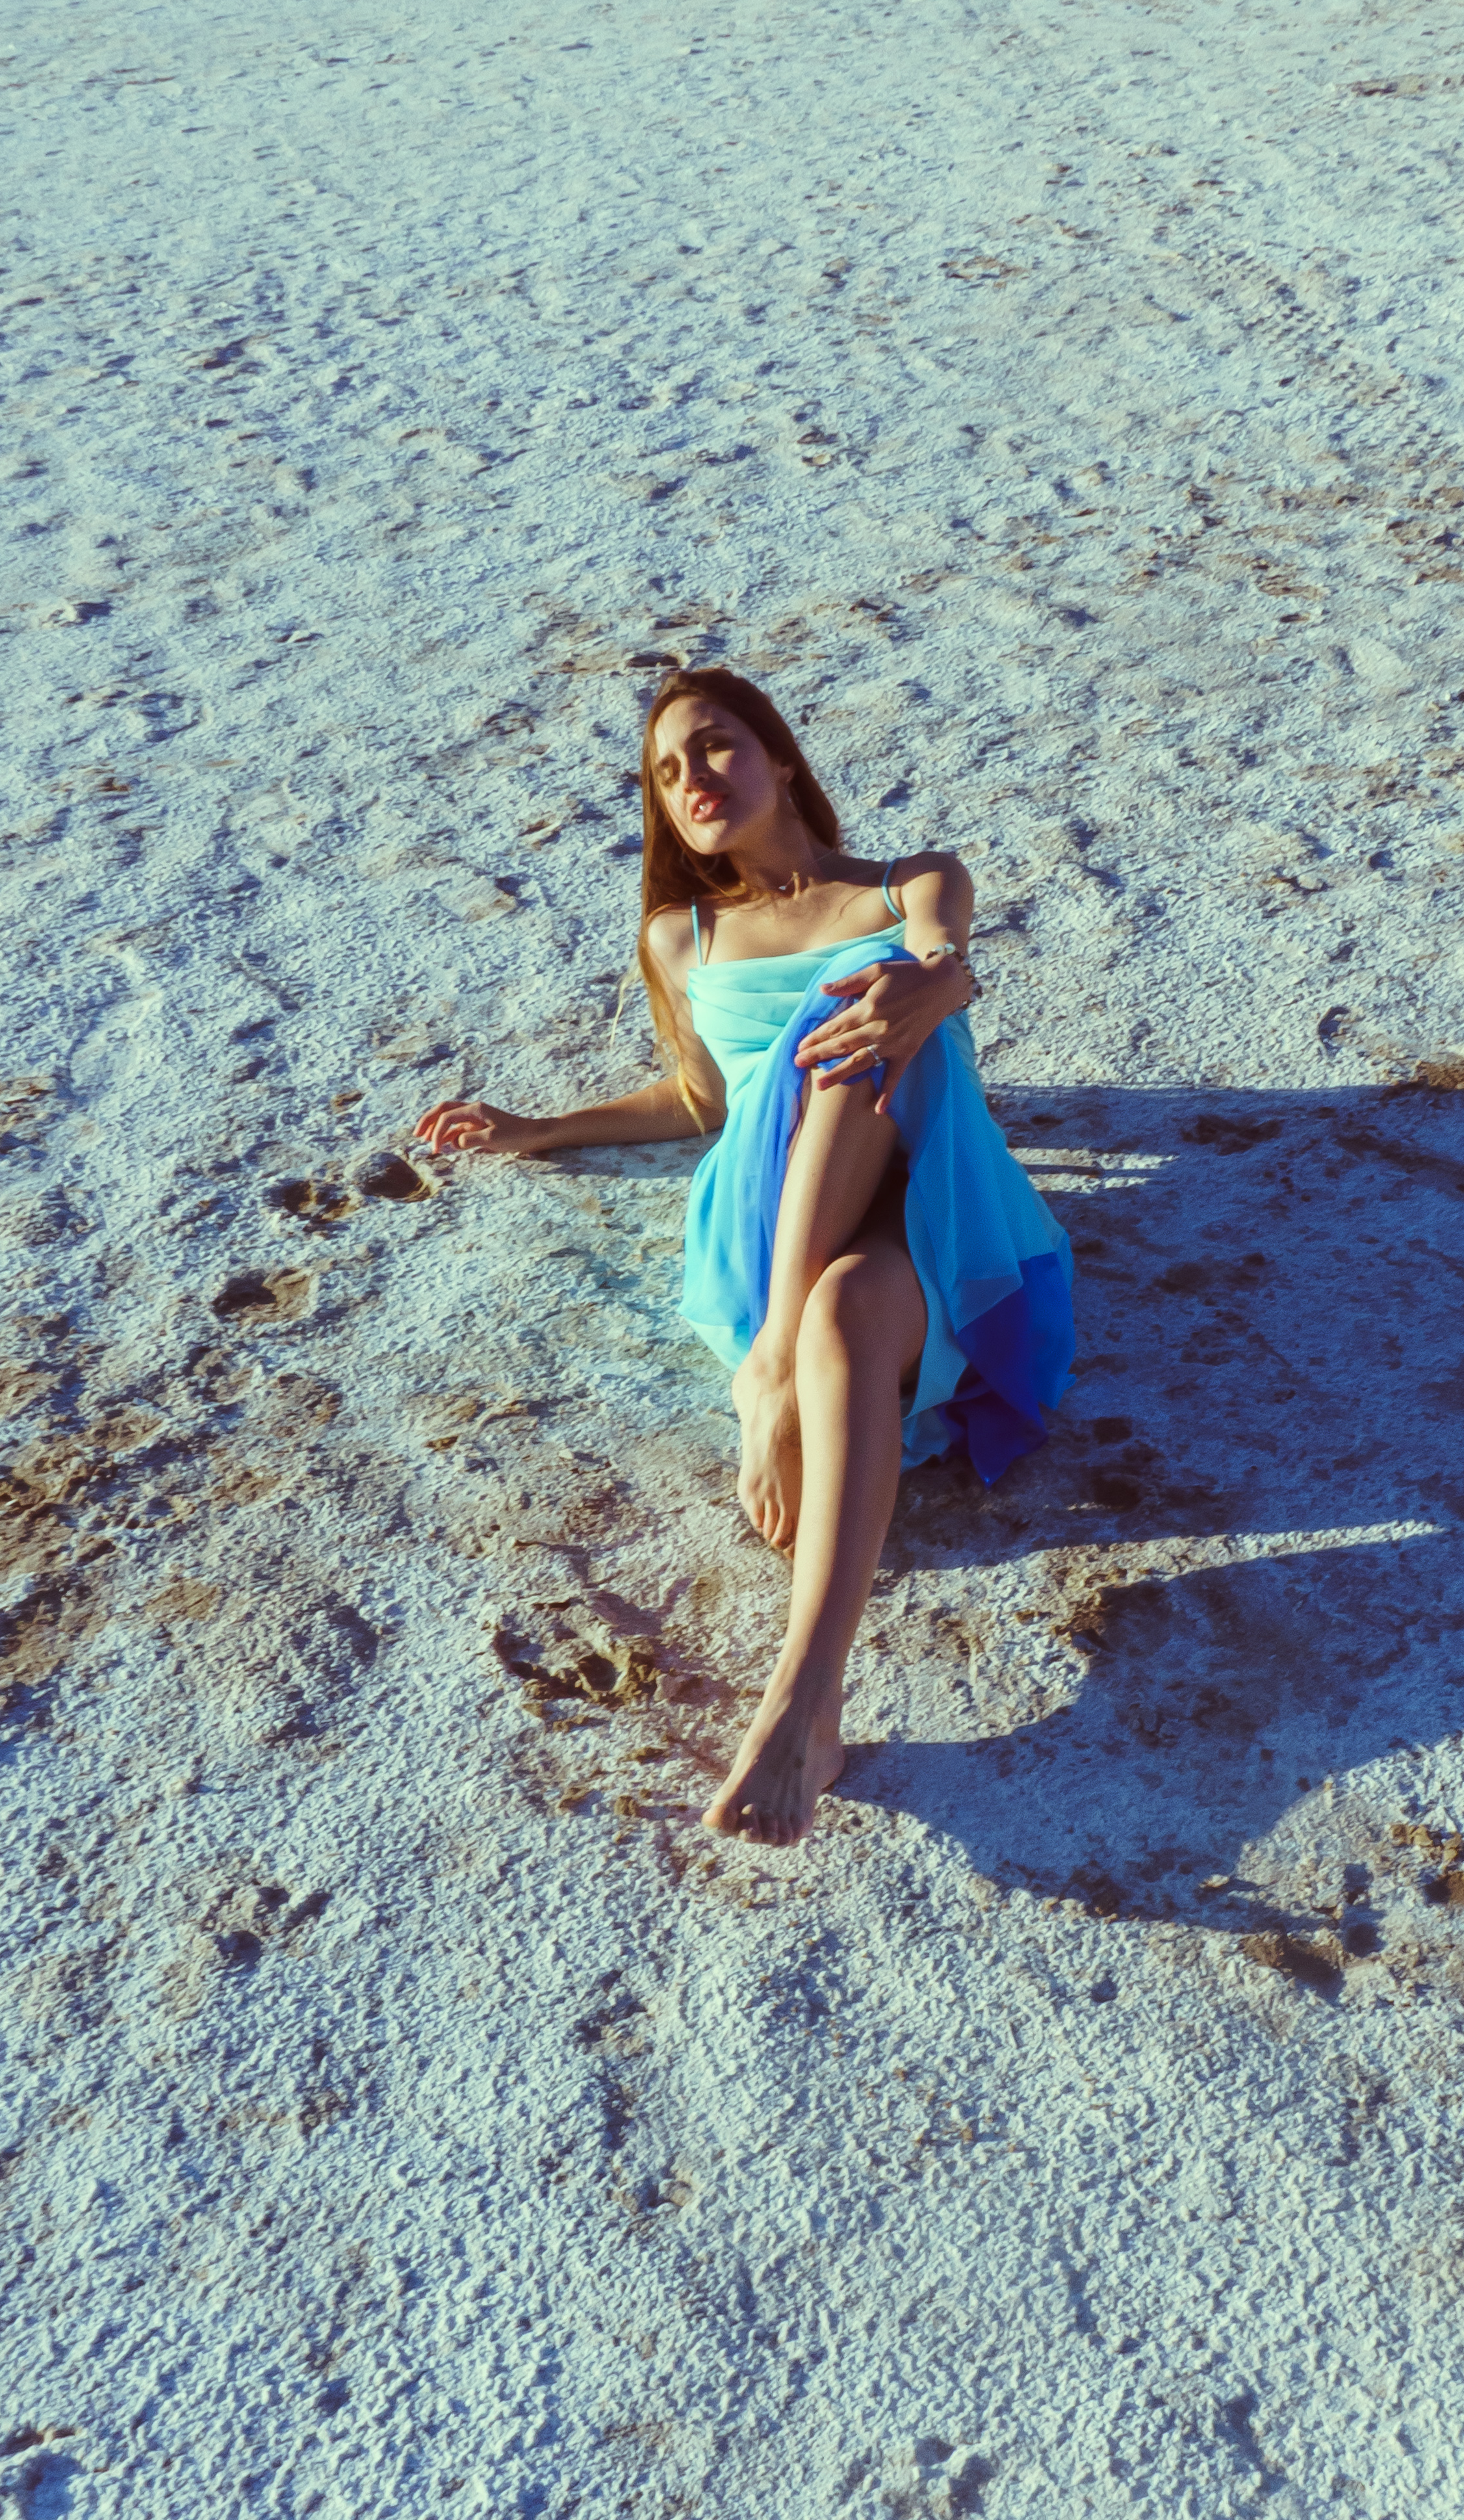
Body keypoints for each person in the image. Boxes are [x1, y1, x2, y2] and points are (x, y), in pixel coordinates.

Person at [414, 668, 1073, 1844]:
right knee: (841, 1107)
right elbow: (698, 1096)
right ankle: (778, 1391)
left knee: (867, 1054)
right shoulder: (686, 934)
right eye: (667, 775)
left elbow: (941, 954)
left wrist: (932, 979)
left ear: (780, 759)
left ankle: (801, 1699)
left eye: (715, 749)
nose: (693, 783)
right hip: (771, 1223)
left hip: (941, 1206)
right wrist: (541, 1127)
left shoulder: (908, 882)